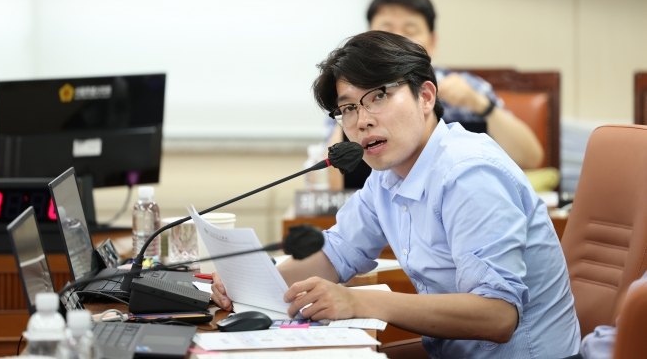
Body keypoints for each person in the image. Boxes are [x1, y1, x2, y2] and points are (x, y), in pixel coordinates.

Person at [212, 31, 580, 358]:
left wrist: (358, 301)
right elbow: (336, 252)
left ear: (426, 96)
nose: (362, 120)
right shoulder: (387, 176)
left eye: (378, 96)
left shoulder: (469, 173)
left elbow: (497, 316)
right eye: (348, 108)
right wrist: (250, 281)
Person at [326, 0, 543, 190]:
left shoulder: (469, 87)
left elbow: (531, 159)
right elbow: (334, 181)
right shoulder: (347, 97)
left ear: (432, 42)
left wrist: (478, 103)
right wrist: (353, 106)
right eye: (386, 31)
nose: (397, 40)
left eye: (410, 30)